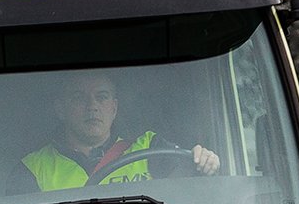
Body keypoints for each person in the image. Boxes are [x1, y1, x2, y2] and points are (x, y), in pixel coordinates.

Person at [16, 70, 221, 192]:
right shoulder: (32, 169)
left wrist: (204, 163)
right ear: (60, 109)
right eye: (79, 97)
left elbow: (187, 192)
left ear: (113, 108)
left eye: (102, 97)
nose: (92, 106)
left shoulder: (150, 146)